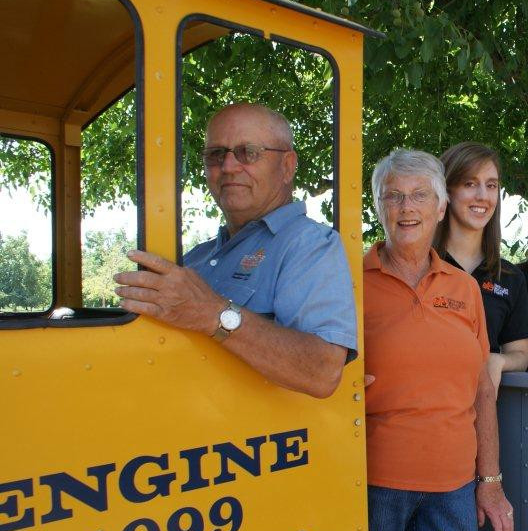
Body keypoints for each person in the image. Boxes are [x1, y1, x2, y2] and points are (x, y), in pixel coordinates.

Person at [113, 103, 356, 398]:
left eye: (248, 153)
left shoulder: (310, 245)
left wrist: (211, 313)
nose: (228, 167)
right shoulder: (194, 259)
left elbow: (322, 372)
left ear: (287, 166)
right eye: (216, 154)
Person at [363, 149, 513, 531]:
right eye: (393, 196)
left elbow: (482, 389)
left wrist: (490, 481)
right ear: (378, 206)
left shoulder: (464, 287)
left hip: (454, 488)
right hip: (374, 486)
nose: (406, 207)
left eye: (420, 195)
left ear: (441, 208)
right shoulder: (351, 283)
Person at [435, 142, 528, 392]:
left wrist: (498, 360)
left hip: (483, 410)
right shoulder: (420, 265)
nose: (483, 196)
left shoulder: (510, 277)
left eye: (491, 185)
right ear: (446, 191)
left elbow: (521, 353)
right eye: (469, 183)